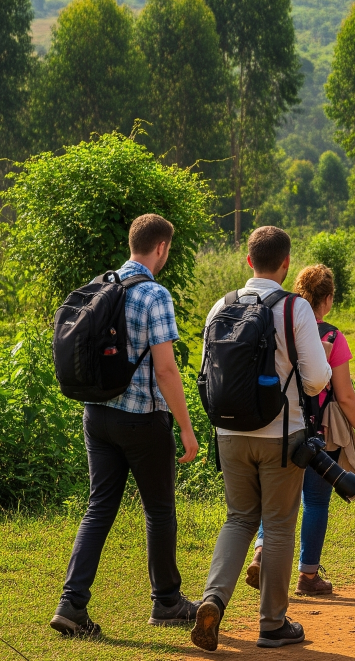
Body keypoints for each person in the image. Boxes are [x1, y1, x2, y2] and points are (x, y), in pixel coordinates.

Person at [50, 214, 202, 637]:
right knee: (159, 510)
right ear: (161, 248)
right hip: (142, 421)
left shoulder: (103, 283)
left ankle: (71, 604)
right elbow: (167, 371)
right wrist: (186, 430)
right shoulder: (155, 294)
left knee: (99, 508)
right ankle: (167, 601)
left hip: (96, 415)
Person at [190, 227, 332, 651]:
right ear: (286, 263)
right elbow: (316, 380)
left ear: (248, 261)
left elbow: (206, 375)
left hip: (229, 434)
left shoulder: (221, 305)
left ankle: (213, 599)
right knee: (280, 525)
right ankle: (272, 623)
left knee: (238, 518)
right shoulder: (295, 310)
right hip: (281, 436)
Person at [246, 264, 355, 596]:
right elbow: (343, 394)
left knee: (274, 499)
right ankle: (308, 576)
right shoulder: (331, 336)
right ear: (328, 299)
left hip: (278, 424)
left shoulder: (280, 327)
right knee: (315, 502)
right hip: (319, 431)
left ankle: (260, 552)